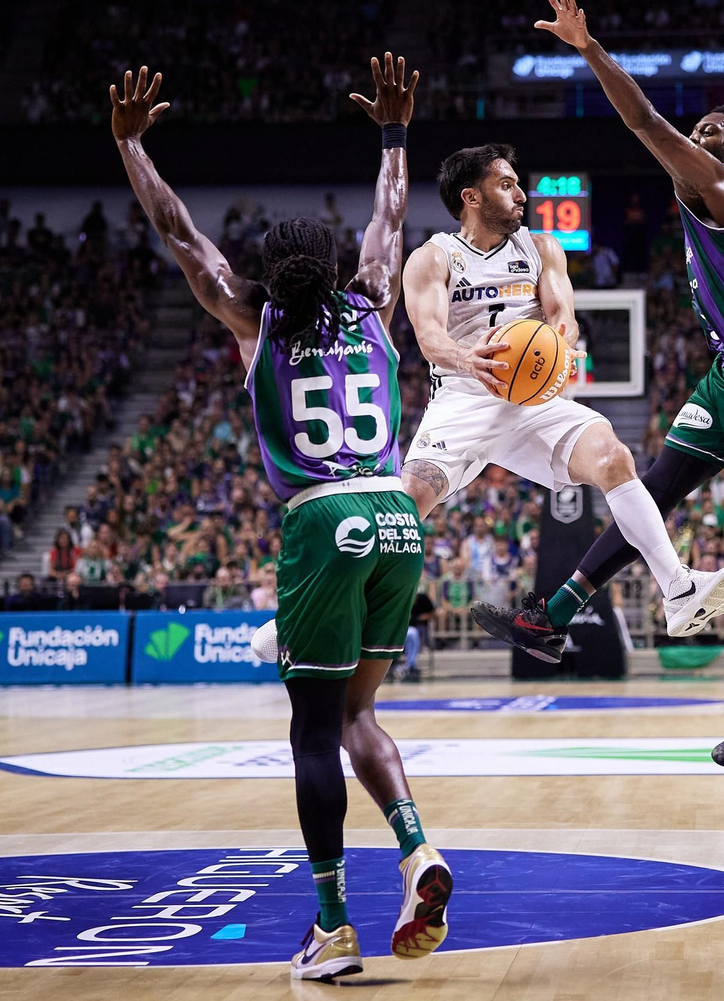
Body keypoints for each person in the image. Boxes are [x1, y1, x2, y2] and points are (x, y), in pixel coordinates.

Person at [112, 57, 449, 981]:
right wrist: (393, 135)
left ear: (268, 273)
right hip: (395, 513)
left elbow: (180, 232)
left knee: (311, 732)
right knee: (359, 713)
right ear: (337, 267)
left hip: (323, 518)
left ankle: (334, 925)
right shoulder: (375, 304)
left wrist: (133, 146)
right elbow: (390, 217)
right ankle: (417, 849)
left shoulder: (254, 320)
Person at [474, 0, 724, 768]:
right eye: (700, 127)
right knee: (653, 484)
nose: (700, 134)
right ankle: (554, 614)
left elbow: (643, 123)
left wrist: (590, 50)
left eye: (714, 131)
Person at [399, 139, 724, 655]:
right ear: (471, 196)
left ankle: (679, 589)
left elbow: (562, 317)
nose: (521, 194)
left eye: (518, 183)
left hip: (530, 398)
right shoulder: (433, 257)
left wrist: (559, 345)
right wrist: (468, 358)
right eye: (506, 184)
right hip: (464, 398)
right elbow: (430, 337)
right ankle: (306, 613)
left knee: (615, 456)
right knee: (401, 512)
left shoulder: (542, 249)